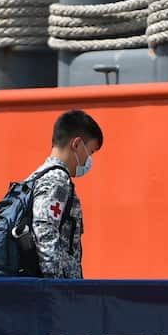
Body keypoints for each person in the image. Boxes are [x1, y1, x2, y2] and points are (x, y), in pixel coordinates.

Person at [29, 110, 102, 279]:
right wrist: (57, 288)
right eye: (90, 152)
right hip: (55, 294)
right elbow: (44, 230)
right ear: (76, 144)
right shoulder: (58, 180)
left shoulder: (38, 176)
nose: (88, 160)